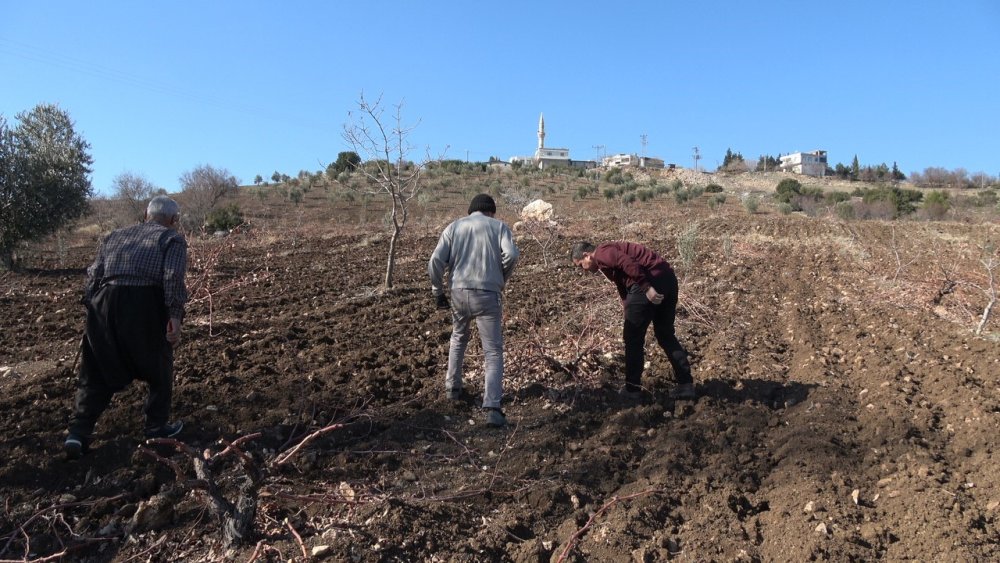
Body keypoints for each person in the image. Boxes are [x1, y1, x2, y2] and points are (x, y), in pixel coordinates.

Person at [64, 195, 189, 459]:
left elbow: (94, 274)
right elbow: (172, 277)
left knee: (95, 369)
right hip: (144, 304)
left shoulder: (114, 236)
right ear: (173, 220)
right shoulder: (171, 239)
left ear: (146, 214)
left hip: (105, 302)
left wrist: (93, 308)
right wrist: (175, 315)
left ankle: (78, 433)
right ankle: (156, 428)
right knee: (159, 364)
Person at [429, 194, 520, 427]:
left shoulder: (454, 227)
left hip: (458, 293)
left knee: (458, 338)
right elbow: (511, 255)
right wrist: (501, 277)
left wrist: (437, 290)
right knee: (492, 351)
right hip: (487, 296)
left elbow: (435, 261)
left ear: (471, 211)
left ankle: (453, 388)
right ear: (491, 211)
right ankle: (492, 407)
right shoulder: (499, 227)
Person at [570, 241, 696, 400]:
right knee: (665, 334)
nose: (584, 270)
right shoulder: (607, 257)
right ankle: (686, 385)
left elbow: (627, 263)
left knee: (633, 338)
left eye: (581, 265)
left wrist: (647, 288)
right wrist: (627, 305)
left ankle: (632, 389)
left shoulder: (602, 253)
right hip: (668, 279)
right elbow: (621, 283)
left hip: (648, 283)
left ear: (586, 255)